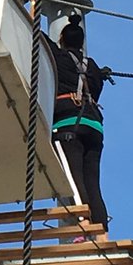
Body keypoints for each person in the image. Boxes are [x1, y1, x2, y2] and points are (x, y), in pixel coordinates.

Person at [46, 14, 109, 237]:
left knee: (74, 179)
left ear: (62, 39)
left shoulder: (58, 57)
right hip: (94, 126)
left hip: (68, 125)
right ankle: (102, 230)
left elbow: (40, 40)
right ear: (82, 43)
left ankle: (83, 224)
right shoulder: (93, 67)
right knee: (93, 182)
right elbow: (96, 92)